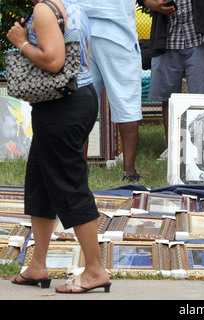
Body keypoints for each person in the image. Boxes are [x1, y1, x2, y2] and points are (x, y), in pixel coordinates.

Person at [7, 0, 110, 293]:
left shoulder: (43, 9)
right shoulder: (73, 6)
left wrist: (21, 42)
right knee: (40, 182)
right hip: (79, 97)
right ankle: (37, 264)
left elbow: (53, 61)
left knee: (69, 183)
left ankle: (94, 270)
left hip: (61, 105)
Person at [77, 0, 143, 182]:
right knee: (126, 100)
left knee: (79, 104)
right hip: (117, 32)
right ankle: (129, 171)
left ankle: (80, 169)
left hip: (80, 30)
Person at [139, 0, 204, 144]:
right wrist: (156, 5)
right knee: (169, 99)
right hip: (166, 39)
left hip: (199, 37)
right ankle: (172, 148)